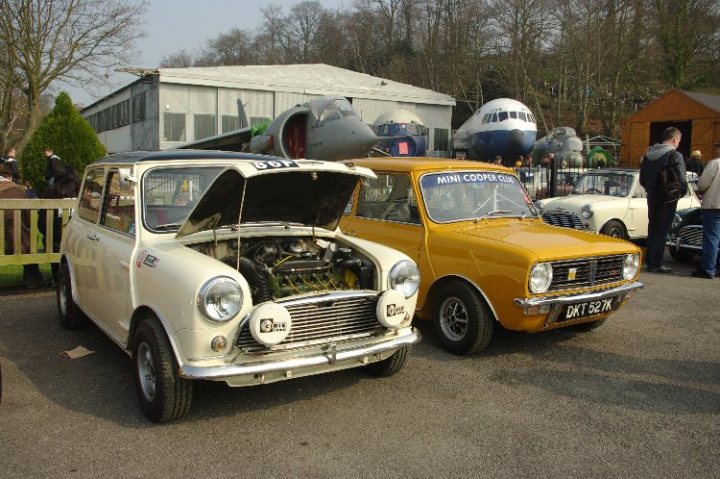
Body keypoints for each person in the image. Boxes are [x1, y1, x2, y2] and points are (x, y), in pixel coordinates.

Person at [639, 127, 688, 273]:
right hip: (668, 198)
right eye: (678, 140)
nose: (678, 143)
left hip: (652, 196)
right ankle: (656, 263)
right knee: (662, 230)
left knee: (653, 228)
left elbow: (642, 178)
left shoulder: (648, 155)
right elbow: (681, 179)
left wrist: (650, 189)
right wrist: (679, 193)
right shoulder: (675, 155)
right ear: (674, 140)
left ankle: (650, 260)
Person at [691, 141, 720, 278]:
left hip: (714, 205)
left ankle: (708, 268)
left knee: (711, 238)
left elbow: (702, 184)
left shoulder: (715, 163)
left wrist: (698, 188)